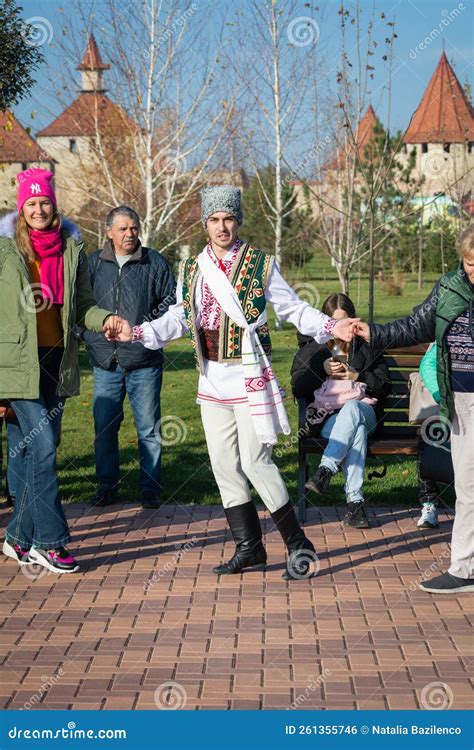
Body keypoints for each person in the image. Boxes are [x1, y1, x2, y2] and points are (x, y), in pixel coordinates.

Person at [106, 186, 359, 580]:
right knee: (225, 466)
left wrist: (331, 325)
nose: (222, 226)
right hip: (211, 379)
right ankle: (250, 548)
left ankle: (298, 544)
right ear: (205, 223)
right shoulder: (192, 268)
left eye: (228, 218)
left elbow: (291, 308)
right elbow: (179, 317)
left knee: (257, 462)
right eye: (214, 219)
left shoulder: (259, 263)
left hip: (248, 377)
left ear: (237, 220)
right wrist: (136, 333)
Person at [0, 168, 120, 574]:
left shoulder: (72, 248)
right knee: (46, 448)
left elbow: (83, 304)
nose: (38, 209)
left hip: (57, 360)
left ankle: (17, 538)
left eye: (44, 202)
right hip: (15, 365)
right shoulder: (5, 250)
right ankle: (48, 544)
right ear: (21, 208)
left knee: (36, 450)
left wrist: (105, 319)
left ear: (54, 205)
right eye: (31, 203)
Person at [355, 224, 474, 594]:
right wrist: (374, 333)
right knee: (469, 485)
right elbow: (415, 325)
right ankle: (465, 568)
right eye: (470, 262)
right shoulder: (449, 287)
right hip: (462, 401)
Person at [78, 206, 175, 509]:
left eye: (134, 228)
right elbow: (80, 306)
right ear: (109, 232)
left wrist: (145, 330)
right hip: (105, 362)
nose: (130, 234)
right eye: (122, 229)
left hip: (144, 362)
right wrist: (89, 338)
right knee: (105, 428)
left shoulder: (154, 262)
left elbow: (172, 302)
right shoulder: (94, 263)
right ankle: (107, 488)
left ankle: (150, 490)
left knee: (148, 429)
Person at [291, 293, 392, 528]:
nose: (342, 328)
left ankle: (326, 469)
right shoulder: (314, 348)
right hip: (329, 419)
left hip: (366, 412)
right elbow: (298, 387)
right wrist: (321, 368)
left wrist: (359, 376)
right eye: (335, 322)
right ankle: (354, 505)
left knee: (353, 408)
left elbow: (385, 386)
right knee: (354, 433)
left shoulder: (367, 345)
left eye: (346, 321)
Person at [415, 343, 442, 530]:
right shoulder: (452, 327)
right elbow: (428, 364)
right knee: (428, 433)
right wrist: (442, 396)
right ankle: (429, 504)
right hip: (450, 404)